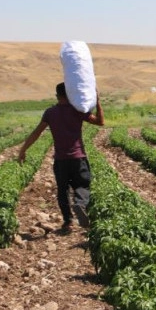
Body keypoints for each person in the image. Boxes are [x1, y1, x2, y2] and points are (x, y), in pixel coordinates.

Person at [18, 82, 104, 230]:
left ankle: (67, 221)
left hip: (60, 159)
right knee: (82, 185)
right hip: (78, 157)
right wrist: (97, 101)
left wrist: (23, 150)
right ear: (70, 93)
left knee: (62, 190)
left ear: (57, 96)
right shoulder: (78, 110)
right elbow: (100, 122)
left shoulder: (50, 113)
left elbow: (36, 132)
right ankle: (80, 204)